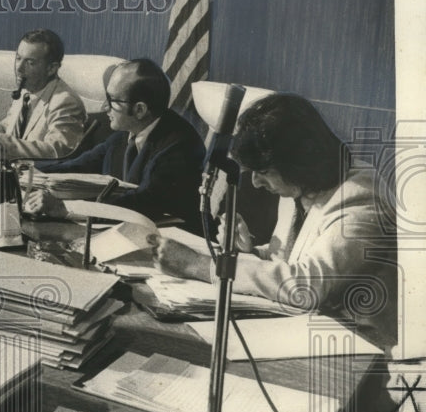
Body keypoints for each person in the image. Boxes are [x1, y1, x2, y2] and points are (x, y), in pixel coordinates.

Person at [154, 92, 398, 347]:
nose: (256, 183)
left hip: (367, 346)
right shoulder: (303, 185)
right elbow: (291, 261)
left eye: (263, 172)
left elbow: (306, 286)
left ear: (299, 162)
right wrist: (251, 252)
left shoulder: (362, 201)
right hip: (311, 329)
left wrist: (200, 266)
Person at [23, 58, 206, 233]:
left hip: (176, 242)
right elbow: (78, 165)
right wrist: (25, 170)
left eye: (112, 100)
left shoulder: (180, 144)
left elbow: (143, 201)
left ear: (140, 110)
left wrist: (64, 208)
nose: (104, 107)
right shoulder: (122, 134)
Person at [0, 29, 85, 160]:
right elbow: (8, 130)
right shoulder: (26, 91)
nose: (19, 68)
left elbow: (56, 152)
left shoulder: (65, 101)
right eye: (18, 58)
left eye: (30, 62)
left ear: (51, 68)